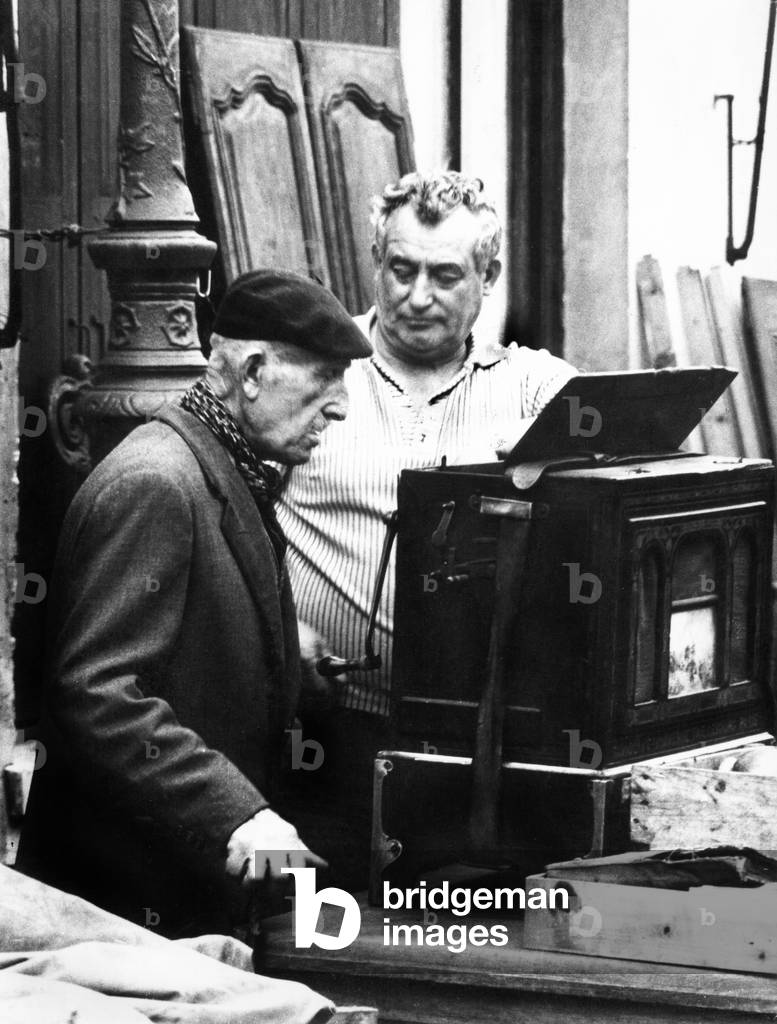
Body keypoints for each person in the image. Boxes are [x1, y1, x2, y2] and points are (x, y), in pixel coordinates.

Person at [17, 269, 373, 938]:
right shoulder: (157, 481)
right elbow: (97, 693)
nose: (341, 407)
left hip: (179, 896)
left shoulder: (219, 465)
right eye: (326, 378)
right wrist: (236, 815)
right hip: (125, 907)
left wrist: (281, 659)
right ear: (253, 372)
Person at [275, 171, 576, 887]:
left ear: (488, 278)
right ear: (375, 261)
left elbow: (632, 442)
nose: (416, 297)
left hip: (481, 742)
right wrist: (279, 625)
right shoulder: (312, 371)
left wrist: (562, 451)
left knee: (458, 927)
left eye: (445, 276)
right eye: (400, 269)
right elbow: (230, 512)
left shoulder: (529, 386)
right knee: (321, 925)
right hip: (326, 733)